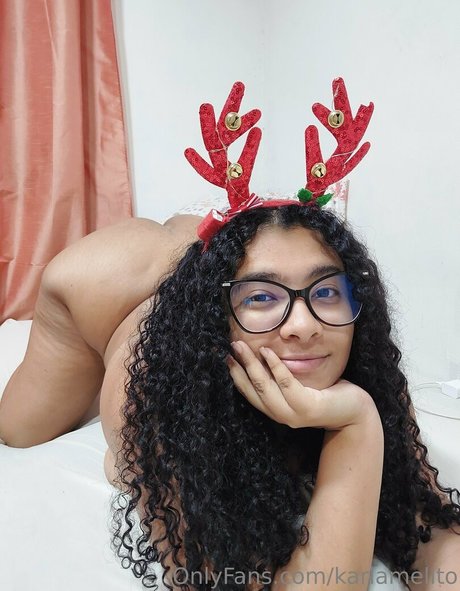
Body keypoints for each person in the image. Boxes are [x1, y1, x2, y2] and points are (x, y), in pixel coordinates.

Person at [1, 80, 460, 590]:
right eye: (262, 298)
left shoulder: (361, 361)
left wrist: (363, 412)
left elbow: (431, 532)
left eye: (327, 290)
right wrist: (356, 425)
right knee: (20, 428)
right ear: (213, 323)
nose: (305, 325)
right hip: (112, 283)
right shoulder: (165, 399)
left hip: (228, 253)